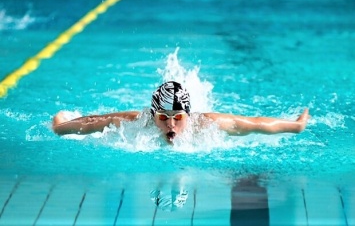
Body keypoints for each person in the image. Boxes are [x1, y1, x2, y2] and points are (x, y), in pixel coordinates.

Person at [52, 81, 310, 144]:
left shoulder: (206, 125)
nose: (171, 125)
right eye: (163, 117)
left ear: (188, 115)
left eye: (178, 117)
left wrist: (294, 125)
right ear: (153, 115)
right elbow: (94, 122)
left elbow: (257, 124)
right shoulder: (137, 123)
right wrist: (61, 125)